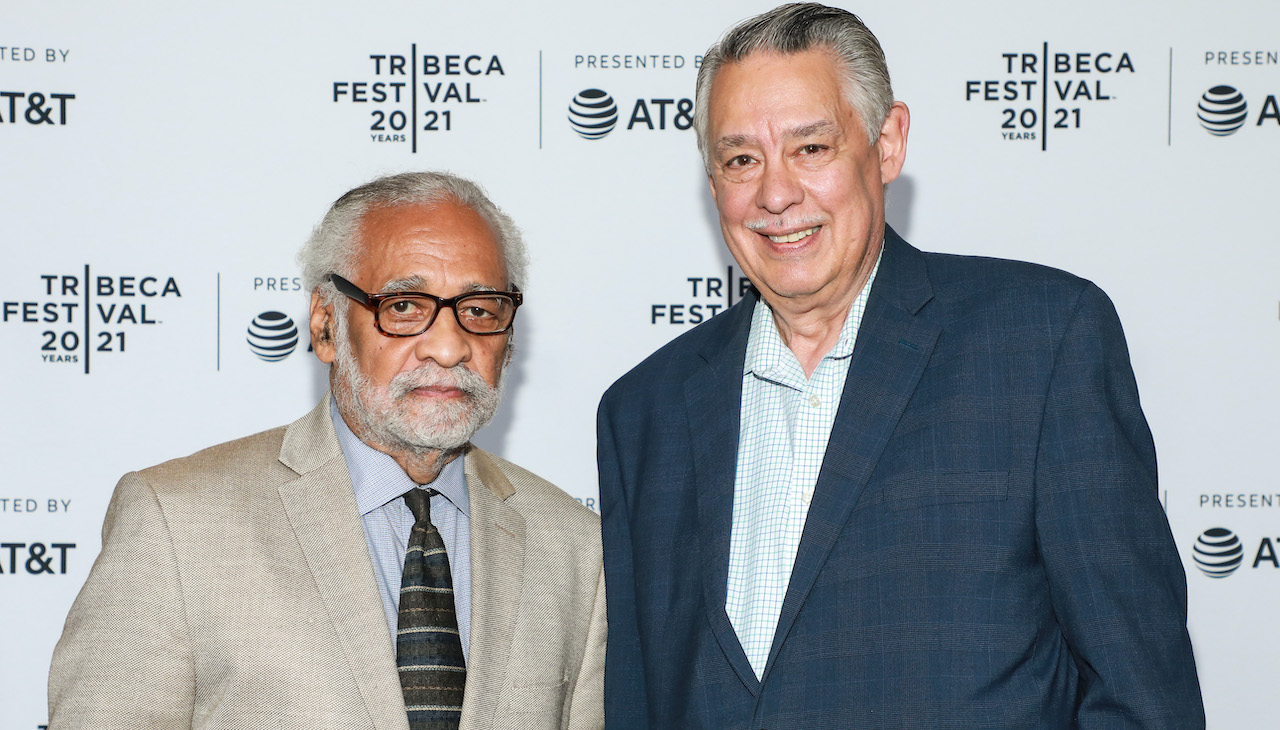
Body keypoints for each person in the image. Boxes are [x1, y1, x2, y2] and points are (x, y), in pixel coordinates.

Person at [596, 4, 1204, 728]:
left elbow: (1142, 697)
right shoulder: (644, 412)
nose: (776, 193)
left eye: (811, 148)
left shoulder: (1041, 342)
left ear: (887, 144)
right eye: (740, 159)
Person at [49, 171, 605, 730]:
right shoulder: (175, 521)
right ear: (325, 325)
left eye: (481, 309)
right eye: (405, 306)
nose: (449, 345)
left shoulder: (574, 545)